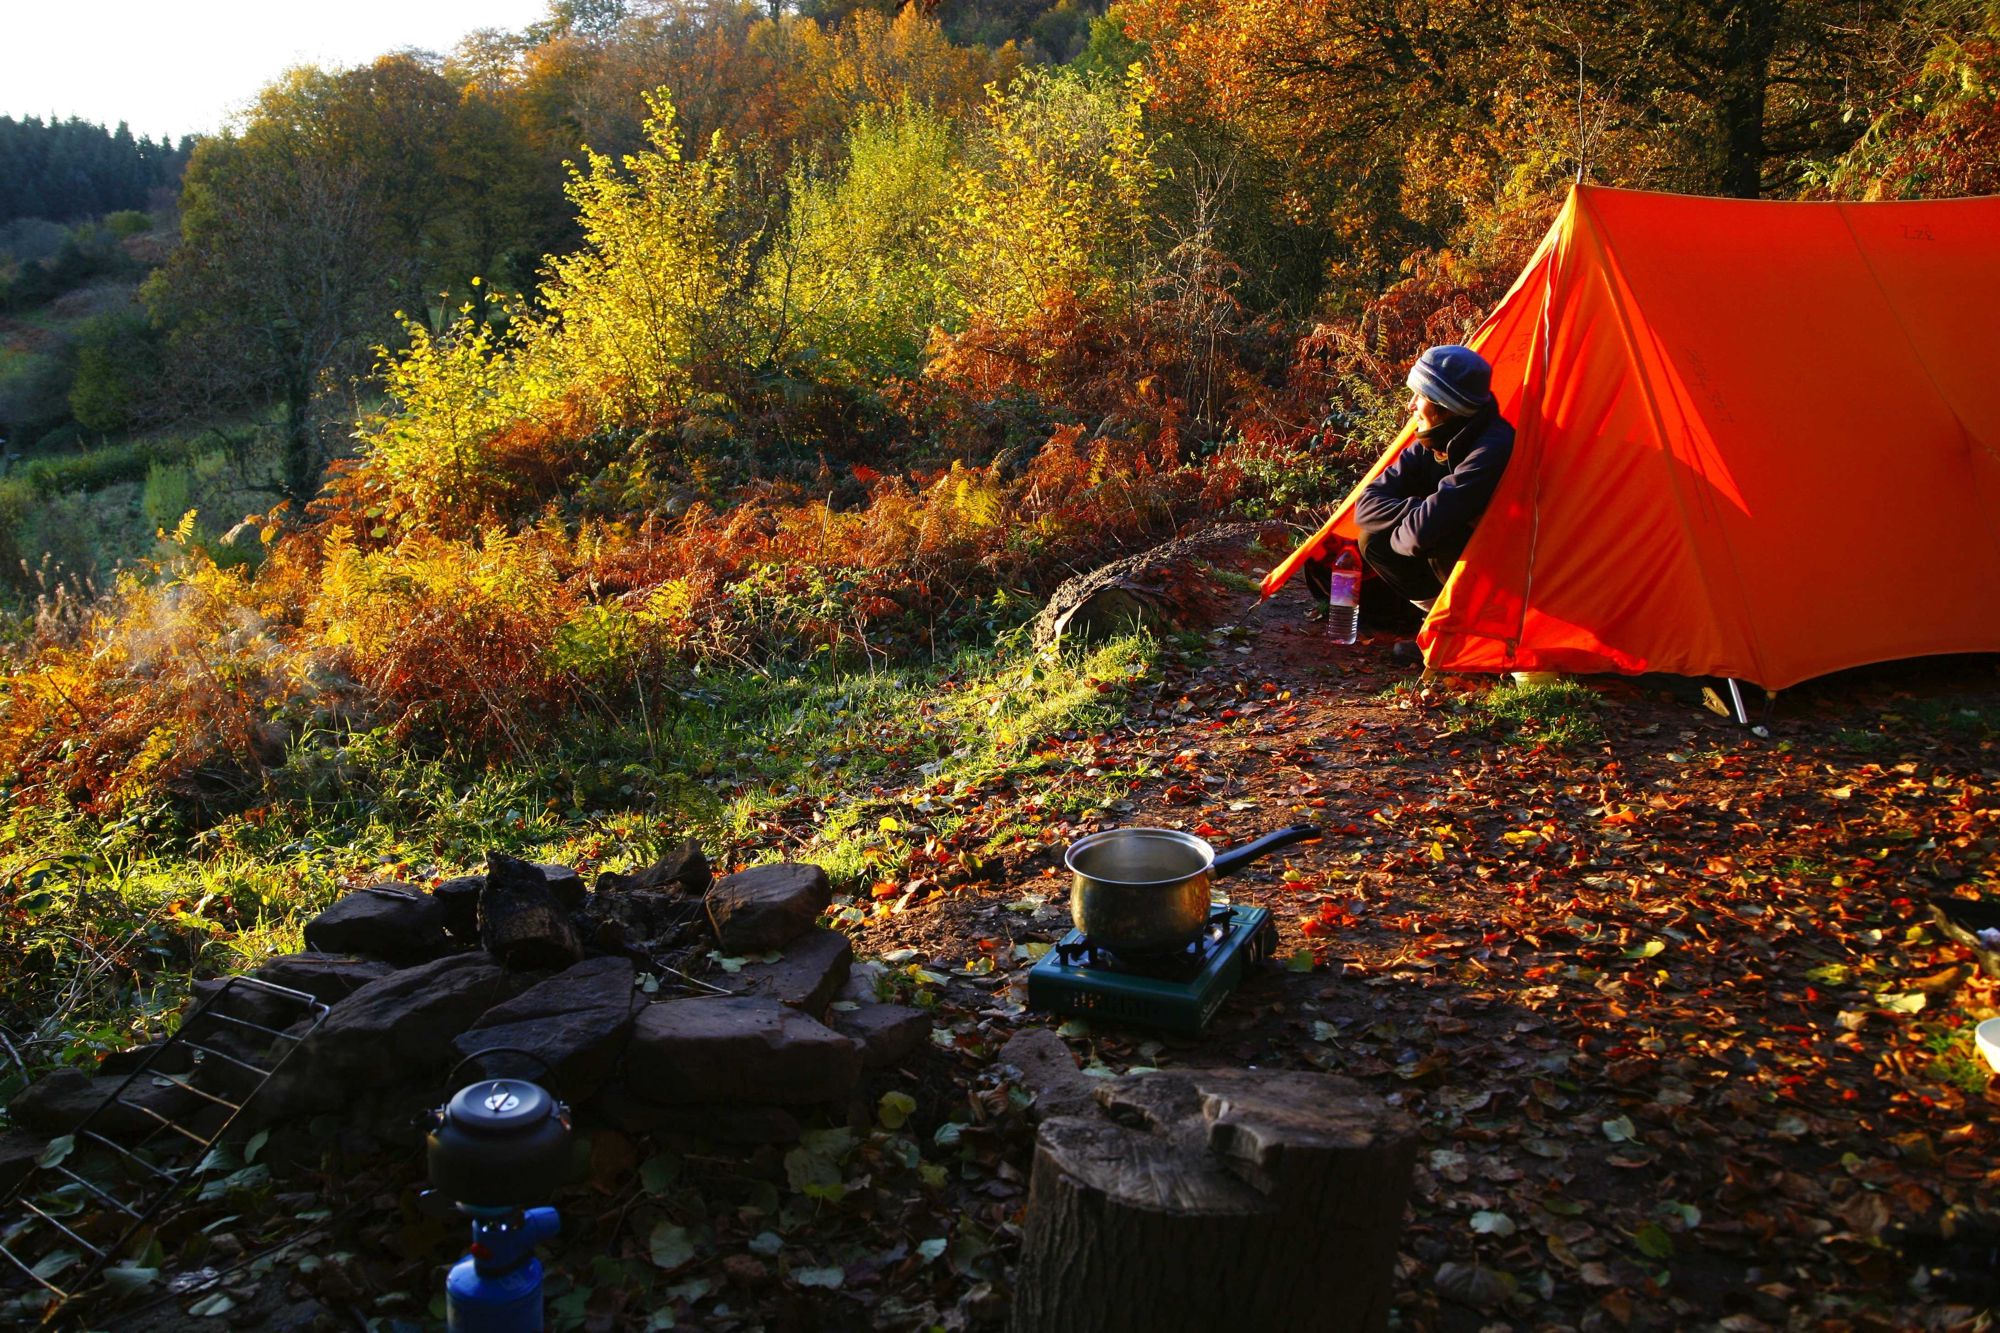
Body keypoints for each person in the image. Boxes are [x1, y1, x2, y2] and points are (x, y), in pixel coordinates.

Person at [1347, 343, 1514, 614]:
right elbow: (1365, 506)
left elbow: (1418, 536)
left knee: (1441, 539)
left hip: (1503, 570)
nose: (1410, 405)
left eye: (1420, 395)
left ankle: (1467, 630)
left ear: (1447, 406)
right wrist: (1420, 511)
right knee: (1373, 540)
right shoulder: (1436, 437)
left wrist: (1422, 524)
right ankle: (1435, 622)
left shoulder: (1491, 449)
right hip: (1450, 552)